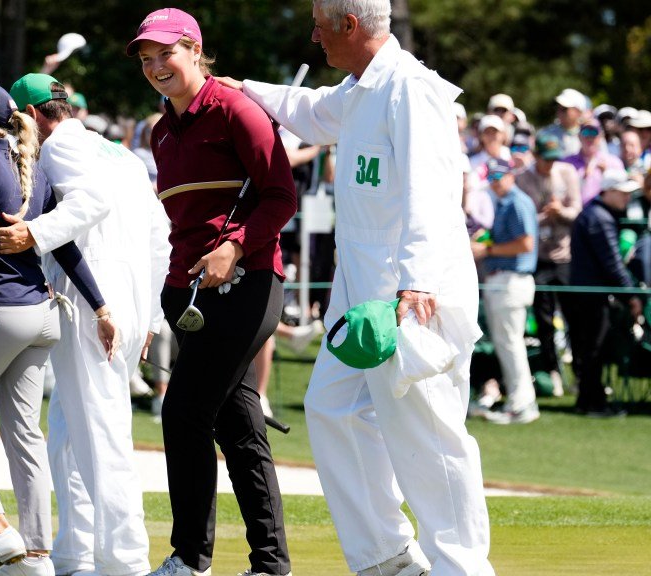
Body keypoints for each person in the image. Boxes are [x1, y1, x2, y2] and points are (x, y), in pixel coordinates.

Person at [222, 0, 495, 573]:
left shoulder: (412, 89)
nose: (313, 38)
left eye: (319, 26)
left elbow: (433, 189)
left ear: (350, 25)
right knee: (331, 408)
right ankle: (387, 559)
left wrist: (417, 283)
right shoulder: (360, 88)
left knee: (429, 438)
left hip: (414, 298)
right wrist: (238, 86)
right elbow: (311, 110)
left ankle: (461, 567)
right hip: (364, 298)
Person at [128, 9, 297, 576]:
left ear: (195, 50)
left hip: (248, 283)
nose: (156, 67)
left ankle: (190, 558)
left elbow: (279, 197)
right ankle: (271, 565)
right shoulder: (160, 131)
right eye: (147, 60)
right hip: (189, 293)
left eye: (165, 55)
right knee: (239, 426)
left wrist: (236, 246)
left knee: (184, 412)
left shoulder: (237, 110)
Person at [0, 81, 117, 576]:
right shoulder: (26, 164)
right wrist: (100, 306)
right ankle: (36, 556)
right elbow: (64, 244)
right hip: (40, 315)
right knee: (23, 435)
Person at [0, 72, 171, 576]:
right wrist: (152, 316)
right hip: (128, 301)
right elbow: (161, 236)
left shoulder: (58, 150)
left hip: (93, 303)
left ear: (32, 116)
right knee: (69, 431)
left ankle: (124, 560)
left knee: (99, 431)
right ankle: (76, 551)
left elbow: (90, 206)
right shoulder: (119, 153)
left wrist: (30, 233)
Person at [563, 169, 642, 418]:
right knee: (593, 350)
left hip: (588, 294)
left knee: (590, 349)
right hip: (590, 296)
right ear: (607, 191)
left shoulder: (597, 213)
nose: (627, 198)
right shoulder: (599, 217)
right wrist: (631, 296)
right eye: (622, 193)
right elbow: (612, 263)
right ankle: (593, 403)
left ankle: (589, 401)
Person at [470, 158, 540, 424]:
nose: (495, 181)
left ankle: (522, 404)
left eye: (500, 176)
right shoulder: (502, 202)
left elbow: (526, 243)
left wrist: (487, 250)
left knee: (511, 344)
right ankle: (519, 401)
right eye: (493, 177)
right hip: (504, 280)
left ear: (511, 176)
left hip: (512, 280)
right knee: (507, 344)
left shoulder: (517, 202)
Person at [515, 134, 581, 396]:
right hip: (539, 258)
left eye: (554, 159)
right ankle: (552, 371)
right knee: (543, 319)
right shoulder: (523, 178)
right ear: (536, 156)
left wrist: (560, 212)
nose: (550, 165)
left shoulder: (567, 173)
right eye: (546, 160)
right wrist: (546, 215)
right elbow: (525, 222)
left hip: (565, 257)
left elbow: (577, 211)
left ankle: (579, 372)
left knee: (573, 317)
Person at [563, 119, 624, 206]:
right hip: (574, 215)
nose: (590, 137)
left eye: (594, 132)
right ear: (579, 136)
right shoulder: (566, 163)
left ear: (601, 136)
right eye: (586, 132)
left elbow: (623, 192)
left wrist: (607, 174)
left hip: (603, 215)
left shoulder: (614, 162)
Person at [540, 88, 587, 157]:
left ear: (578, 111)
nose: (559, 112)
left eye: (564, 109)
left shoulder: (591, 134)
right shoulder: (546, 134)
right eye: (558, 107)